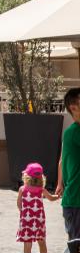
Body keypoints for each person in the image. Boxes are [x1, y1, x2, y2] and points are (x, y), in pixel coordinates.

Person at [17, 162, 59, 253]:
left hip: (26, 220)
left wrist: (23, 212)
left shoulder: (22, 189)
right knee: (42, 241)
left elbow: (19, 203)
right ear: (41, 178)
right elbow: (51, 198)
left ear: (26, 177)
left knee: (27, 243)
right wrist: (58, 196)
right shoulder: (41, 190)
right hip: (39, 220)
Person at [56, 88, 80, 244]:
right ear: (73, 109)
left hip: (74, 202)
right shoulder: (74, 133)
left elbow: (61, 161)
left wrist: (59, 183)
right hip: (76, 204)